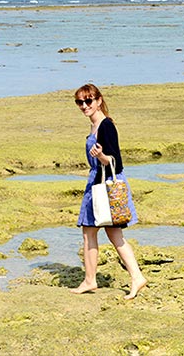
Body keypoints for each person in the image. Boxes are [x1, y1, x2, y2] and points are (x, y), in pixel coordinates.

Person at [70, 83, 147, 299]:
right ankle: (124, 277)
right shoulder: (95, 126)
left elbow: (116, 162)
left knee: (95, 232)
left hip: (104, 186)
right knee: (104, 233)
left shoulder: (106, 126)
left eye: (88, 101)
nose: (84, 106)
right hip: (97, 183)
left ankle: (94, 280)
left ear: (99, 100)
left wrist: (101, 157)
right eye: (80, 102)